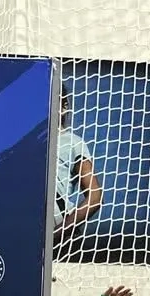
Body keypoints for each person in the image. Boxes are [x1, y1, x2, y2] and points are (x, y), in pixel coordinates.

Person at [53, 83, 102, 255]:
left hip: (60, 239)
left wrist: (59, 231)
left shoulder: (74, 143)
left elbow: (95, 196)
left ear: (64, 106)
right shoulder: (26, 142)